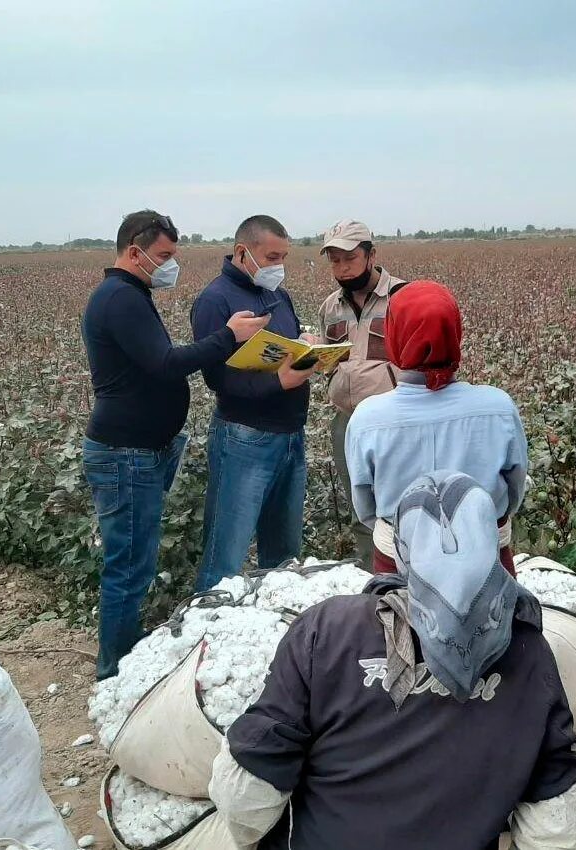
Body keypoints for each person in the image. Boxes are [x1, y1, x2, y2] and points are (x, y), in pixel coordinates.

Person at [209, 471, 576, 850]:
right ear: (492, 541)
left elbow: (247, 800)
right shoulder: (529, 652)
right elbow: (554, 827)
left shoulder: (328, 629)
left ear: (402, 549)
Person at [82, 210, 268, 679]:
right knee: (128, 567)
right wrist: (229, 337)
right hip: (126, 453)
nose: (170, 265)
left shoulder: (129, 295)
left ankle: (122, 657)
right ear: (133, 252)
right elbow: (165, 364)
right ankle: (116, 672)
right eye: (163, 256)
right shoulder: (119, 299)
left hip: (139, 452)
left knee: (134, 561)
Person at [344, 280, 528, 574]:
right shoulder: (498, 409)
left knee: (397, 621)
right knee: (496, 620)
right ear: (455, 333)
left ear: (394, 336)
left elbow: (366, 508)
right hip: (487, 566)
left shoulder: (368, 419)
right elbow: (514, 492)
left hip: (399, 567)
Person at [190, 215, 317, 592]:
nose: (279, 265)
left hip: (291, 436)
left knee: (283, 558)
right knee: (224, 558)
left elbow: (286, 346)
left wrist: (307, 345)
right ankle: (208, 631)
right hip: (245, 439)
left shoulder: (278, 294)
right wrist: (279, 380)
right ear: (243, 252)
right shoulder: (215, 301)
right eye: (272, 256)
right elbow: (218, 379)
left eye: (284, 257)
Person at [317, 220, 406, 566]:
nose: (341, 269)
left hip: (395, 420)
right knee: (360, 508)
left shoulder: (402, 298)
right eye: (334, 261)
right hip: (349, 422)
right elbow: (331, 359)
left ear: (371, 255)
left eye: (349, 259)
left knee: (399, 503)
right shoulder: (331, 308)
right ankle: (373, 581)